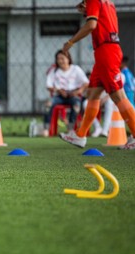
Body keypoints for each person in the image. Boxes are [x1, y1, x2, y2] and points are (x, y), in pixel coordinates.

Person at [60, 0, 135, 149]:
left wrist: (71, 41)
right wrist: (87, 11)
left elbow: (91, 25)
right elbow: (100, 21)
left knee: (118, 95)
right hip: (105, 52)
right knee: (93, 94)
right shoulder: (108, 2)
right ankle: (80, 136)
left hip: (106, 52)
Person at [45, 50, 89, 133]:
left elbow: (86, 83)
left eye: (62, 58)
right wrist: (58, 90)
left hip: (73, 95)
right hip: (59, 96)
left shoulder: (76, 69)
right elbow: (48, 86)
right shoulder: (54, 71)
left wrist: (79, 91)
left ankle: (70, 128)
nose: (60, 61)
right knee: (48, 104)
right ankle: (46, 128)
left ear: (68, 59)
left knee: (77, 105)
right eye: (58, 59)